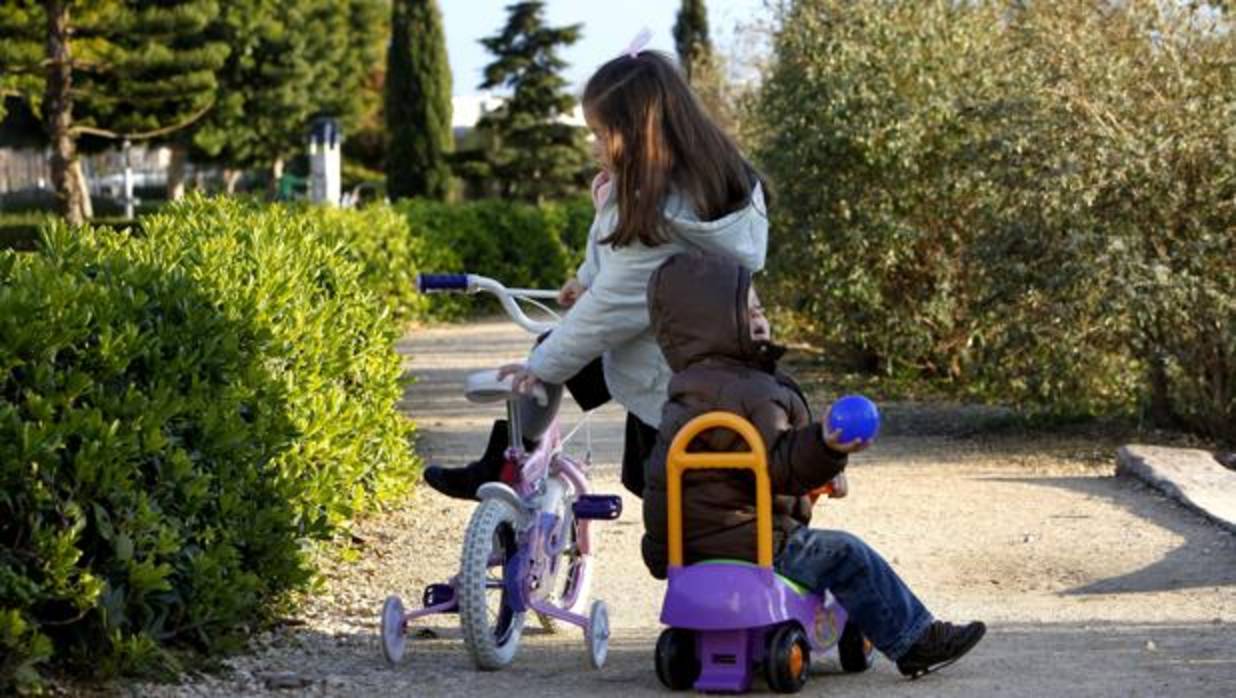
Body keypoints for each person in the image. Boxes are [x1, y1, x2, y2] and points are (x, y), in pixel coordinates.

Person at [424, 41, 770, 500]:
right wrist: (586, 278)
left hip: (673, 374)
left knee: (670, 503)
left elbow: (610, 308)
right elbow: (614, 251)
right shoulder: (687, 186)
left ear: (641, 133)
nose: (595, 146)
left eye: (602, 134)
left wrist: (539, 368)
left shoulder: (661, 218)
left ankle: (507, 468)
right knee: (560, 355)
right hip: (689, 355)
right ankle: (508, 464)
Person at [641, 252, 986, 679]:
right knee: (847, 554)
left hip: (694, 552)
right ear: (713, 327)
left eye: (760, 309)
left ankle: (689, 642)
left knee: (822, 542)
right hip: (763, 545)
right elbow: (782, 465)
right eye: (746, 311)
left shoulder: (683, 399)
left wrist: (662, 553)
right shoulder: (753, 393)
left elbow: (660, 485)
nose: (760, 318)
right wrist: (824, 445)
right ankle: (915, 638)